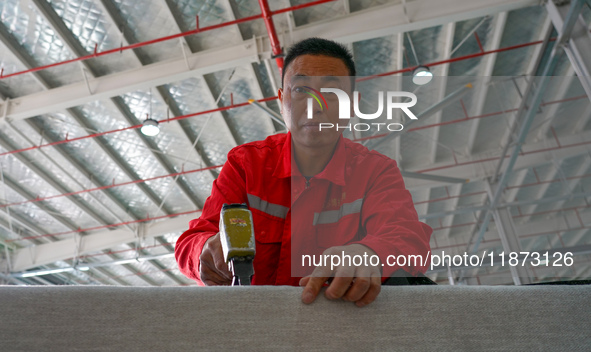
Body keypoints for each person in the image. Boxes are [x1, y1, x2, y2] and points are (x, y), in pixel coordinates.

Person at [175, 37, 432, 307]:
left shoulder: (375, 172)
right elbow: (191, 241)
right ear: (281, 98)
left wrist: (368, 253)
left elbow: (406, 237)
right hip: (252, 326)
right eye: (300, 90)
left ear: (353, 105)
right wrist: (203, 251)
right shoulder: (246, 165)